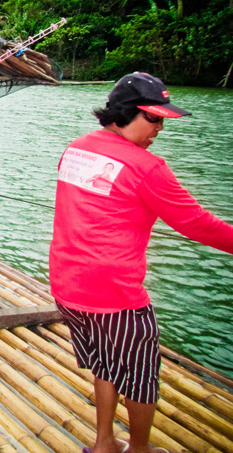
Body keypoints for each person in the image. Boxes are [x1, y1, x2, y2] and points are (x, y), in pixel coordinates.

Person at [48, 72, 233, 453]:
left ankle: (104, 444)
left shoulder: (77, 148)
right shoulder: (148, 167)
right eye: (152, 118)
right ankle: (140, 449)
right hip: (115, 295)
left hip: (67, 285)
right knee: (140, 376)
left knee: (106, 366)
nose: (160, 128)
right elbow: (198, 224)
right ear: (121, 114)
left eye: (163, 119)